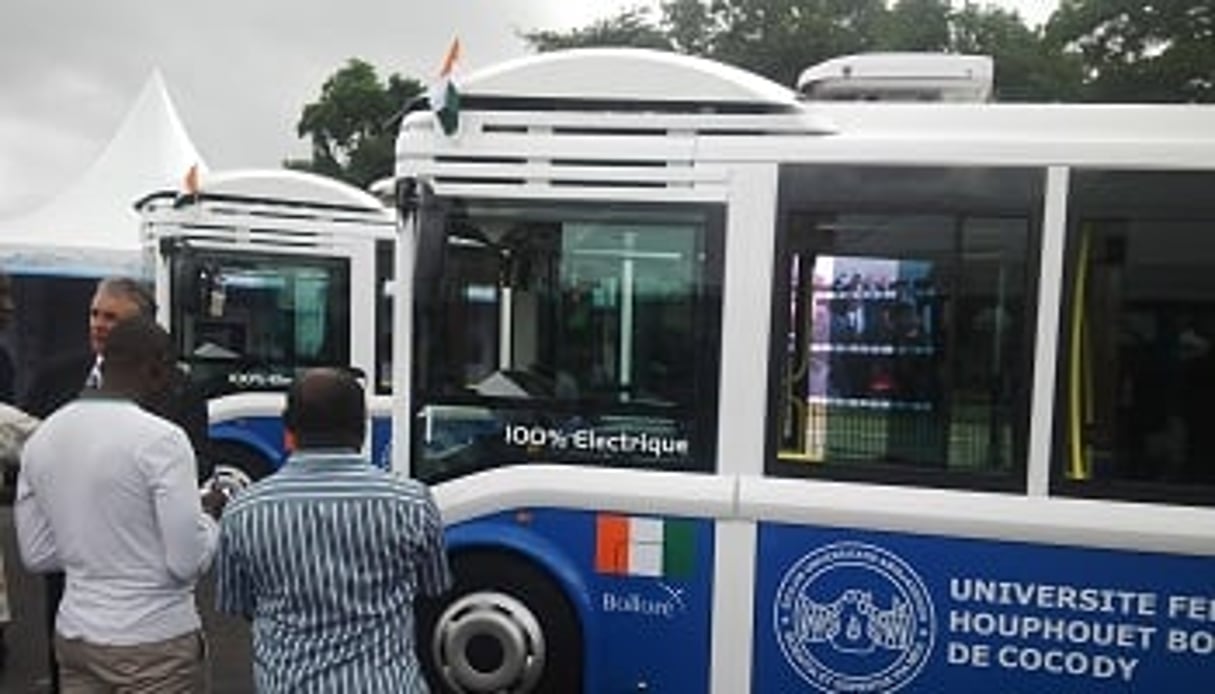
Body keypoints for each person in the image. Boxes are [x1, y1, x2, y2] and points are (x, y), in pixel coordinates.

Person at [20, 276, 213, 693]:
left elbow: (35, 550)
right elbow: (186, 558)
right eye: (94, 313)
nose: (99, 324)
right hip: (124, 630)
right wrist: (211, 523)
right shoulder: (58, 378)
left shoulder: (178, 393)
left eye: (112, 317)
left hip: (93, 624)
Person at [216, 367, 451, 693]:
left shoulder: (244, 510)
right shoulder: (411, 502)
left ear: (289, 430)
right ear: (363, 428)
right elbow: (433, 587)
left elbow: (239, 604)